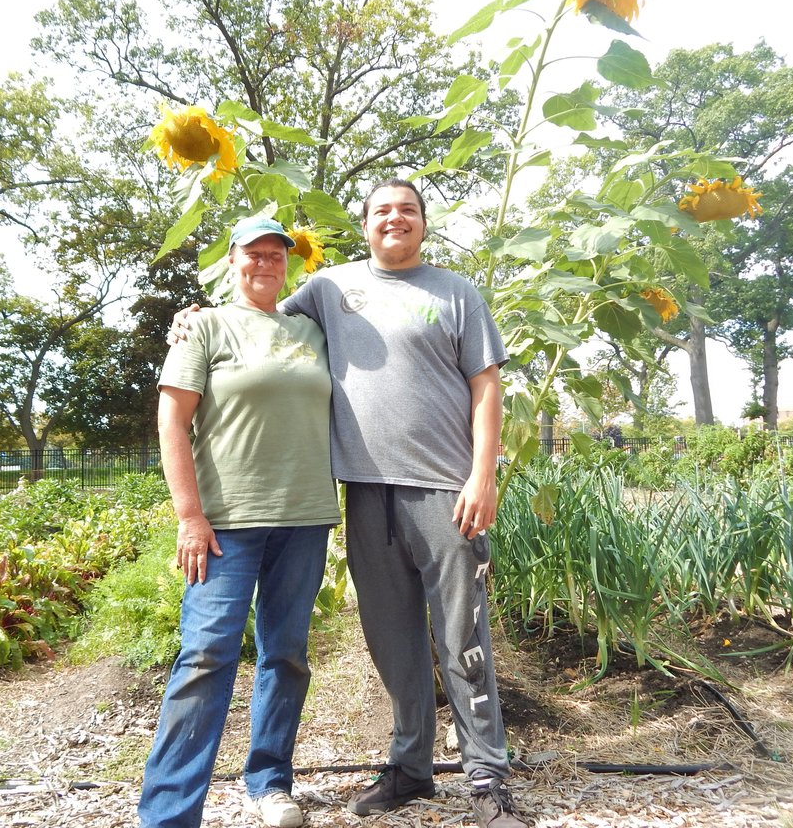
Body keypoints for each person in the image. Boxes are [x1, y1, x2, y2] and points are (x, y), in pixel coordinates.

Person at [174, 180, 531, 828]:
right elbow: (263, 316)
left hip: (444, 491)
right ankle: (411, 767)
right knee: (391, 638)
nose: (396, 218)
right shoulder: (330, 290)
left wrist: (484, 476)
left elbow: (486, 387)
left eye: (409, 210)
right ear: (364, 225)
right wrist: (193, 316)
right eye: (383, 211)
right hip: (364, 493)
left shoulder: (455, 293)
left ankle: (486, 776)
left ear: (424, 224)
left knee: (461, 636)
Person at [137, 216, 341, 828]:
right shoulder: (203, 327)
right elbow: (171, 422)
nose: (265, 264)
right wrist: (189, 516)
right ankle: (170, 814)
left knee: (287, 655)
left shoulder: (314, 329)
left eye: (276, 255)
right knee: (204, 658)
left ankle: (270, 783)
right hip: (225, 526)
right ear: (231, 260)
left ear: (289, 264)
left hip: (304, 519)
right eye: (253, 254)